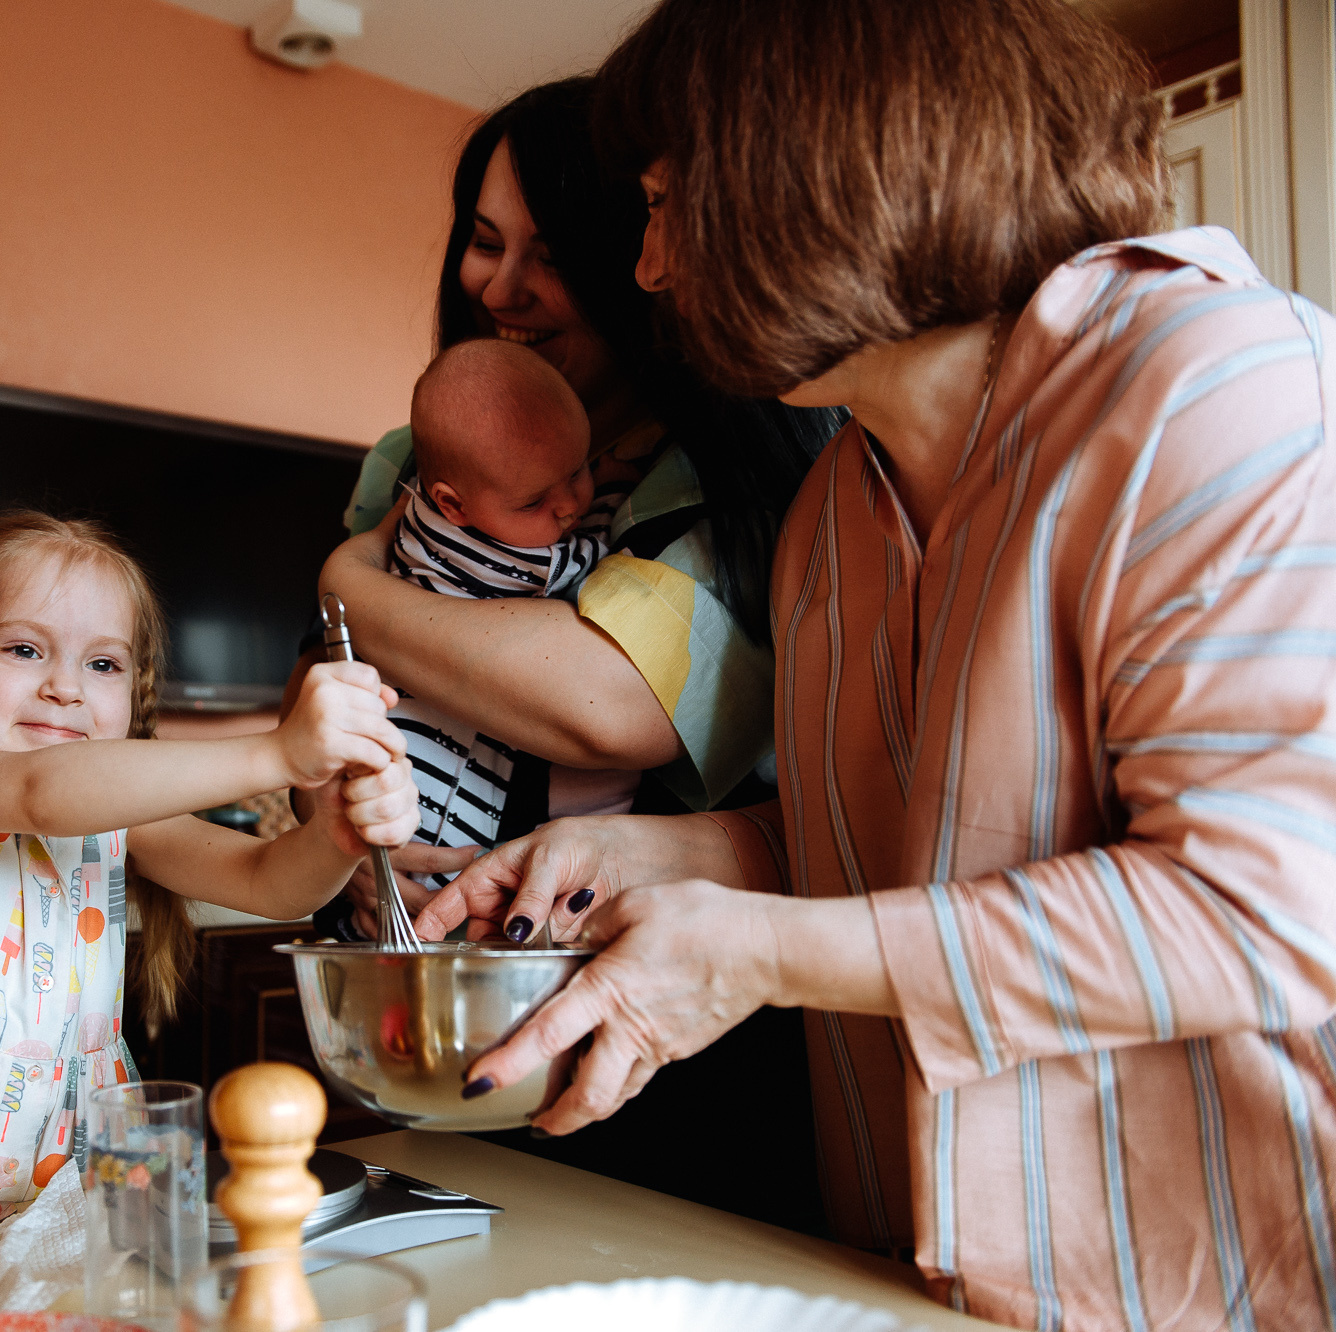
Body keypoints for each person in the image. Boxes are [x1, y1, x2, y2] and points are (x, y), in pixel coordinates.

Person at [422, 1, 1336, 1327]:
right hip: (904, 1281)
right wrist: (674, 860)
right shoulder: (832, 517)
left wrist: (760, 955)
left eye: (671, 205)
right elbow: (914, 847)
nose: (657, 270)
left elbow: (1266, 909)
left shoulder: (1221, 385)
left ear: (820, 165)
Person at [306, 76, 844, 1234]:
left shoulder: (738, 474)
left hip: (681, 1040)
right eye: (482, 243)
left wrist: (348, 576)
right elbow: (336, 700)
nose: (498, 286)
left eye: (546, 251)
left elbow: (612, 702)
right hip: (447, 1021)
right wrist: (334, 831)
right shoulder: (412, 453)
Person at [0, 512, 418, 1231]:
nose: (66, 688)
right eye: (25, 649)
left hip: (65, 1144)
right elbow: (41, 794)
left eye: (103, 664)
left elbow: (266, 881)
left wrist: (339, 836)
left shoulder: (116, 815)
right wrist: (277, 753)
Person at [389, 337, 604, 882]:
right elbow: (588, 568)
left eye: (579, 470)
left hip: (427, 741)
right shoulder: (500, 556)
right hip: (431, 764)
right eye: (534, 502)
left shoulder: (418, 516)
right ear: (452, 504)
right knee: (432, 870)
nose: (570, 505)